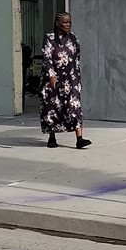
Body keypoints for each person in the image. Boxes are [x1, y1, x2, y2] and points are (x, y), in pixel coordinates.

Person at [40, 12, 92, 149]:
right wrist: (51, 75)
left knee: (74, 106)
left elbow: (76, 58)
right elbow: (47, 58)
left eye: (69, 22)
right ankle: (52, 136)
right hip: (54, 78)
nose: (68, 25)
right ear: (57, 23)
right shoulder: (49, 38)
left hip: (71, 78)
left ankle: (79, 138)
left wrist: (77, 78)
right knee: (53, 106)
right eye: (65, 22)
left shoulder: (73, 38)